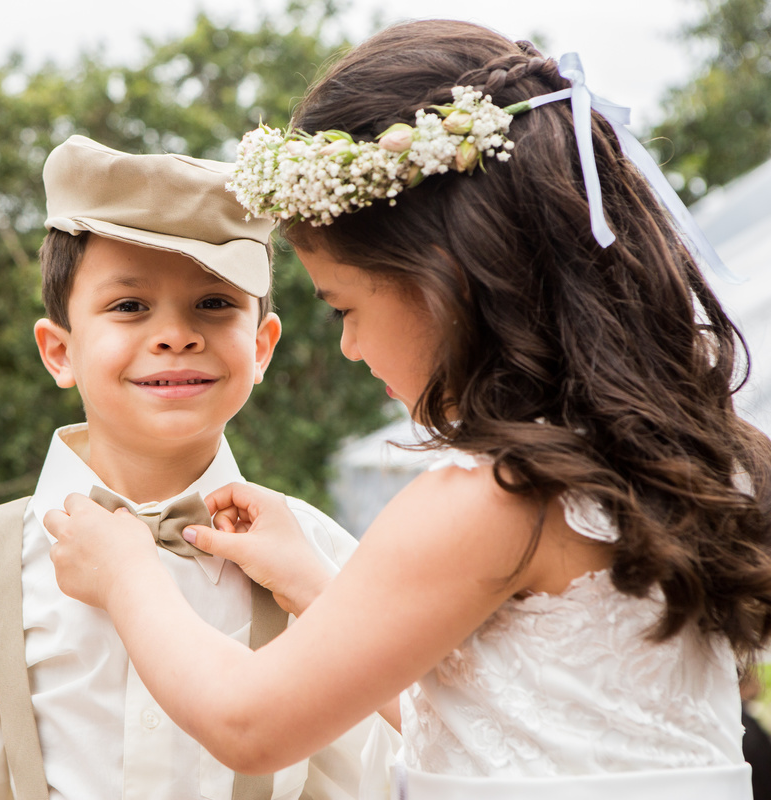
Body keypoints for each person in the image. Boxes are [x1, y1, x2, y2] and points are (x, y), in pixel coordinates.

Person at [43, 20, 771, 800]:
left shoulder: (495, 500)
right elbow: (486, 713)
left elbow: (249, 725)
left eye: (343, 308)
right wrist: (313, 585)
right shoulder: (697, 461)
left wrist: (125, 576)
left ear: (447, 280)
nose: (351, 348)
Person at [0, 134, 400, 800]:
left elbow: (368, 781)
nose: (176, 334)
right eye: (129, 306)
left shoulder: (325, 565)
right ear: (59, 351)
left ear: (263, 346)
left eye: (215, 303)